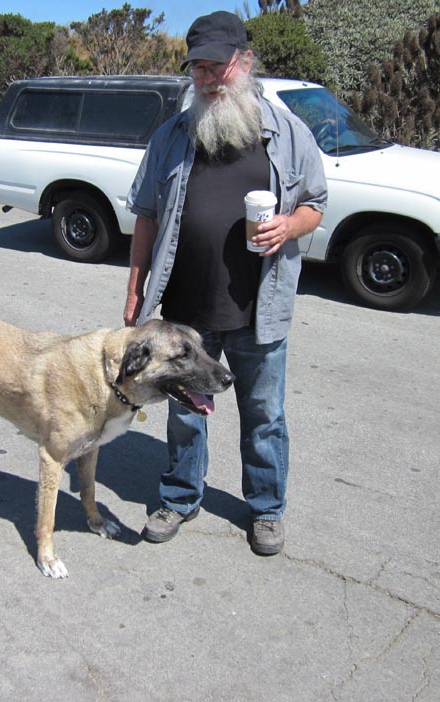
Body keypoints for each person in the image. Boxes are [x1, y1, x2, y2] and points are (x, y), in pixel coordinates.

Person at [123, 10, 327, 556]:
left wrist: (290, 226)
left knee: (264, 416)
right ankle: (180, 496)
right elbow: (146, 214)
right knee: (185, 414)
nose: (209, 78)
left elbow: (315, 204)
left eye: (218, 66)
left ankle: (266, 509)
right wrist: (136, 288)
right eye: (199, 68)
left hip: (260, 306)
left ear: (245, 62)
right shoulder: (172, 136)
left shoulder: (287, 134)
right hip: (185, 310)